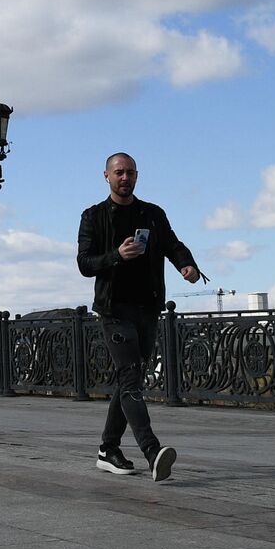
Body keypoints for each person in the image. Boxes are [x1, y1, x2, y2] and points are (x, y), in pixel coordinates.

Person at [76, 152, 200, 481]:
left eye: (130, 172)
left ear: (137, 175)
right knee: (130, 377)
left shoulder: (152, 214)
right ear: (106, 176)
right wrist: (116, 255)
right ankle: (151, 450)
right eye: (119, 172)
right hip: (114, 310)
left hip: (148, 308)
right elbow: (85, 263)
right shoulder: (93, 216)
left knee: (128, 380)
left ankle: (108, 449)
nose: (125, 178)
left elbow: (173, 245)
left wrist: (187, 265)